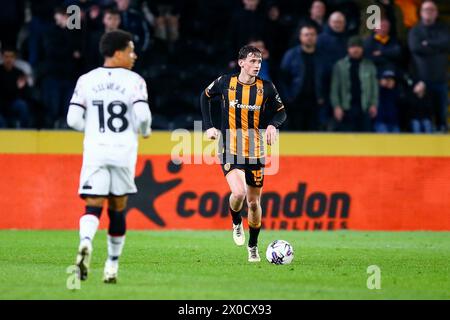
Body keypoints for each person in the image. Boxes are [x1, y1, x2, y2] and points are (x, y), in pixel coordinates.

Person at [67, 30, 152, 283]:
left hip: (96, 149)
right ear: (117, 53)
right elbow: (144, 117)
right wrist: (145, 132)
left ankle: (85, 243)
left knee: (92, 205)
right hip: (124, 151)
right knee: (117, 209)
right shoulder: (135, 81)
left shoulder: (86, 79)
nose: (134, 56)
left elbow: (72, 119)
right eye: (130, 50)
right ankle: (111, 267)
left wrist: (93, 128)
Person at [200, 45, 287, 262]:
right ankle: (236, 222)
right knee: (238, 193)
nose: (257, 65)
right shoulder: (225, 82)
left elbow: (281, 112)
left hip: (255, 152)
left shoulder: (266, 88)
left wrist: (273, 126)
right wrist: (208, 126)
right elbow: (204, 96)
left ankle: (253, 246)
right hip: (230, 148)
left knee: (254, 203)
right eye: (252, 61)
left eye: (259, 62)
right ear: (241, 63)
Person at [408, 0, 449, 132]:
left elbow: (447, 43)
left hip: (440, 79)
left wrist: (428, 43)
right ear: (421, 13)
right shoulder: (415, 30)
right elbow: (415, 48)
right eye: (426, 10)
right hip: (421, 80)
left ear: (436, 13)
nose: (429, 13)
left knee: (441, 114)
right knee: (423, 116)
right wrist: (437, 46)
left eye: (432, 10)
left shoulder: (444, 28)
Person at [280, 24, 325, 131]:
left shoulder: (322, 56)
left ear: (316, 37)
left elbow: (327, 79)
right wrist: (288, 98)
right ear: (300, 37)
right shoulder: (291, 55)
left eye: (312, 34)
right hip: (296, 102)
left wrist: (323, 97)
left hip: (315, 103)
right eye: (306, 35)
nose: (309, 37)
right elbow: (282, 79)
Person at [331, 36, 378, 132]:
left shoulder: (369, 65)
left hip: (364, 107)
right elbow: (334, 89)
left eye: (358, 47)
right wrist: (336, 106)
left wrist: (374, 104)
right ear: (348, 49)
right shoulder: (339, 65)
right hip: (346, 108)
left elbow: (374, 87)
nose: (355, 49)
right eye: (352, 47)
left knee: (365, 140)